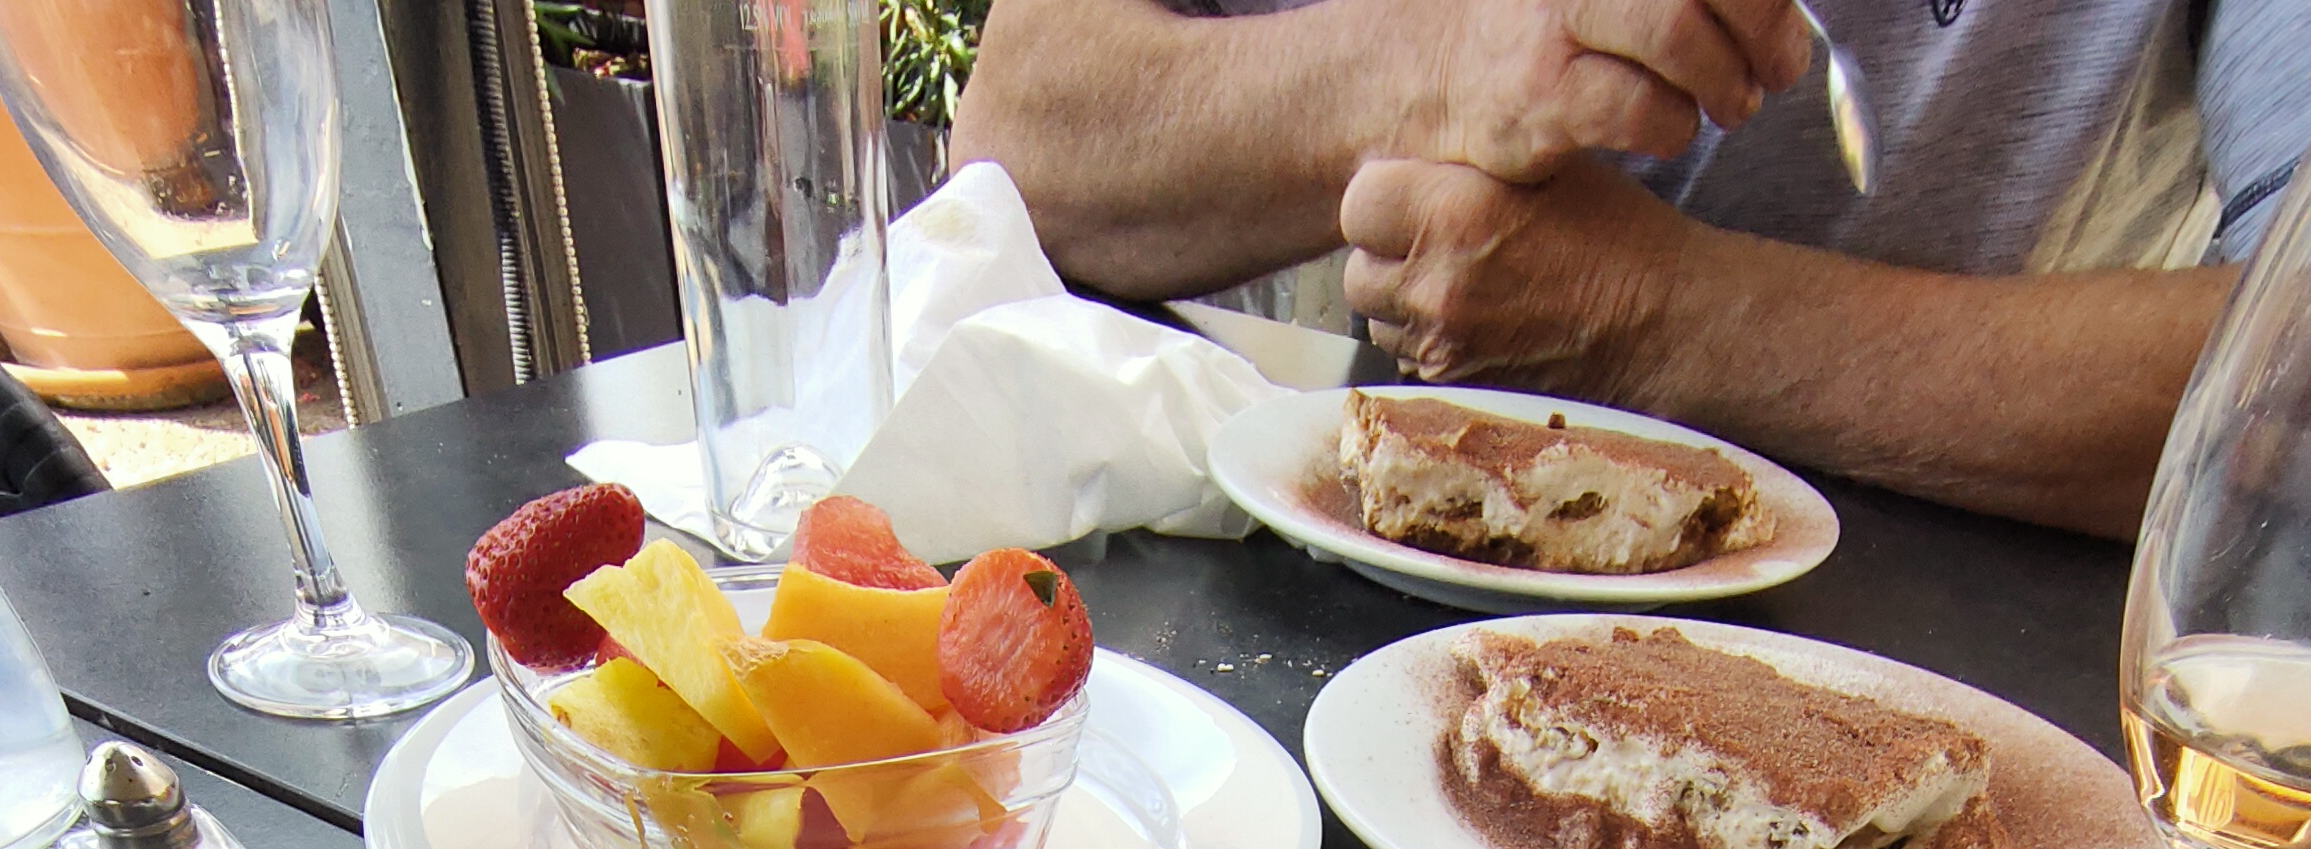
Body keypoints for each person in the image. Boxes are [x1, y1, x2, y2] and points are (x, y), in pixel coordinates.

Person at [949, 0, 2311, 537]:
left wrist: (1658, 319)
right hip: (1322, 621)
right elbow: (1025, 143)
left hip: (1929, 699)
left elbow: (2292, 390)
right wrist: (1440, 63)